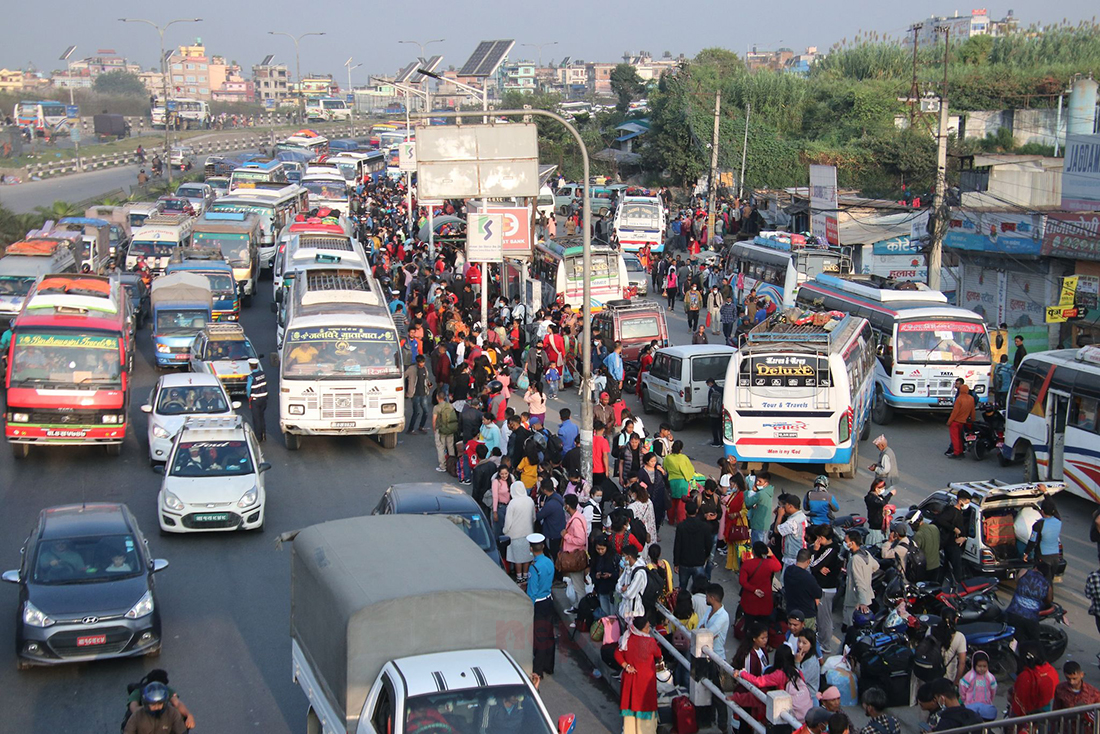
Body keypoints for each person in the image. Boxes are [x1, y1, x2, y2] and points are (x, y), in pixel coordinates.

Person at [615, 615, 664, 734]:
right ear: (641, 629)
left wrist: (626, 666)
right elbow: (658, 654)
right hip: (645, 682)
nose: (648, 630)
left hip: (630, 680)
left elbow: (617, 654)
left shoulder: (627, 639)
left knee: (631, 706)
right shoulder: (650, 642)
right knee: (645, 706)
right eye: (647, 628)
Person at [526, 533, 556, 684]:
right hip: (548, 600)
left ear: (531, 549)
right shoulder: (549, 562)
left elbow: (532, 591)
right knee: (549, 635)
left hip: (538, 603)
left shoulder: (534, 567)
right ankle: (549, 666)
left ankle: (537, 671)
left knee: (539, 638)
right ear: (543, 546)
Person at [124, 670, 196, 729]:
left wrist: (188, 715)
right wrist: (151, 709)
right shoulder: (138, 691)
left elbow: (177, 703)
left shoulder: (166, 689)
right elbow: (133, 708)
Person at [810, 525, 842, 654]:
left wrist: (814, 552)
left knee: (824, 618)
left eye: (818, 538)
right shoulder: (829, 548)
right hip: (822, 586)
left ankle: (826, 644)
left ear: (822, 538)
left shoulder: (830, 550)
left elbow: (812, 565)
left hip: (825, 588)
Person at [1004, 562, 1054, 644]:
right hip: (1031, 619)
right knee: (1034, 643)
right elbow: (1049, 600)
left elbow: (1017, 581)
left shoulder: (1024, 572)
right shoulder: (1047, 585)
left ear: (1035, 568)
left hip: (1013, 613)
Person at [1008, 641, 1058, 718]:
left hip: (1029, 718)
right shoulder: (1051, 670)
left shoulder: (1026, 677)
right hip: (1047, 716)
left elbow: (1019, 704)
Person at [739, 541, 782, 628]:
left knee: (748, 624)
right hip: (765, 599)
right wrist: (772, 555)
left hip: (750, 599)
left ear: (753, 551)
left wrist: (754, 590)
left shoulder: (747, 564)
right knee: (764, 625)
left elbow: (742, 581)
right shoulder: (769, 564)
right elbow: (779, 566)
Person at [673, 501, 712, 592]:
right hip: (698, 561)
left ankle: (683, 604)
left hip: (684, 562)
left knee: (682, 587)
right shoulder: (704, 527)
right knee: (699, 588)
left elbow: (677, 545)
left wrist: (676, 562)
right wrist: (706, 556)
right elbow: (708, 544)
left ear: (686, 511)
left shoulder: (681, 526)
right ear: (697, 511)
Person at [843, 530, 878, 629]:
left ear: (852, 543)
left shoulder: (855, 559)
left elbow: (859, 581)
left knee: (852, 627)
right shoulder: (866, 553)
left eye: (846, 541)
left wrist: (861, 602)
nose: (845, 544)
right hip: (867, 596)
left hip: (856, 600)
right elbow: (876, 566)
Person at [503, 481, 535, 583]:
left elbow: (508, 521)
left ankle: (519, 577)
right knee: (526, 557)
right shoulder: (530, 500)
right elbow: (534, 517)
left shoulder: (512, 503)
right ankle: (526, 576)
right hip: (528, 533)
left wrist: (505, 531)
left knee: (517, 558)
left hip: (514, 534)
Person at [560, 493, 588, 600]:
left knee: (578, 585)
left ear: (567, 506)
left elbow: (580, 540)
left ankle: (581, 608)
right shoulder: (578, 517)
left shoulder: (576, 521)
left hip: (575, 555)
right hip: (574, 555)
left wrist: (566, 536)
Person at [1023, 498, 1063, 572]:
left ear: (1042, 511)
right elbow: (1054, 507)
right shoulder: (1058, 520)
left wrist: (1026, 552)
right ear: (1053, 511)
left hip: (1043, 557)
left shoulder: (1038, 524)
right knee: (1050, 579)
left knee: (1042, 580)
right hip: (1055, 557)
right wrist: (1045, 492)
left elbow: (1033, 541)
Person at [784, 549, 822, 623]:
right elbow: (818, 593)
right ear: (808, 561)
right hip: (806, 614)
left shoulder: (788, 571)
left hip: (791, 611)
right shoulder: (808, 578)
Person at [959, 650, 998, 721]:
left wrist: (989, 701)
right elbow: (962, 691)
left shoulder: (990, 678)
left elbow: (993, 691)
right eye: (979, 666)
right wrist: (965, 702)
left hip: (985, 708)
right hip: (970, 707)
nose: (982, 669)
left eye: (984, 666)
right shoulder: (968, 677)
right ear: (974, 665)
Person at [662, 440, 694, 525]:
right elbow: (690, 470)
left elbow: (664, 468)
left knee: (671, 504)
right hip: (682, 482)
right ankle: (680, 522)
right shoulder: (684, 458)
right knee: (681, 505)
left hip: (671, 482)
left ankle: (671, 520)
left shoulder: (667, 458)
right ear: (681, 449)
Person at [535, 482, 566, 561]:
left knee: (552, 555)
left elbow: (539, 516)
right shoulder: (558, 497)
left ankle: (554, 571)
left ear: (544, 490)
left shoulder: (550, 504)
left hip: (552, 533)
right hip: (559, 530)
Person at [776, 493, 809, 566]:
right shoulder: (802, 516)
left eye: (785, 506)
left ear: (790, 506)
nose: (783, 508)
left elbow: (777, 530)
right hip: (799, 553)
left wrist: (780, 515)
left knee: (786, 577)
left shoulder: (792, 521)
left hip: (792, 556)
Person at [946, 381, 976, 458]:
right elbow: (973, 411)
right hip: (964, 421)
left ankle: (956, 453)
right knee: (960, 437)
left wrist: (949, 421)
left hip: (956, 421)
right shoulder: (971, 399)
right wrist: (973, 420)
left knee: (955, 438)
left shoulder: (959, 399)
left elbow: (954, 412)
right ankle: (961, 451)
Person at [404, 354, 433, 434]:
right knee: (416, 412)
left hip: (423, 393)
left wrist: (429, 384)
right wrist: (406, 390)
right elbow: (404, 376)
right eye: (420, 362)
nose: (422, 364)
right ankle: (411, 429)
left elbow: (426, 379)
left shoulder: (425, 369)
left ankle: (421, 426)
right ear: (417, 362)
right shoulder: (412, 369)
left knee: (426, 411)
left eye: (423, 362)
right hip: (415, 394)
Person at [745, 471, 775, 544]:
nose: (757, 483)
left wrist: (747, 492)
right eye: (757, 481)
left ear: (766, 483)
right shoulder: (769, 492)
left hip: (758, 525)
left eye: (760, 481)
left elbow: (748, 503)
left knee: (757, 547)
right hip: (765, 525)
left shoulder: (760, 494)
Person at [911, 511, 942, 582]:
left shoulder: (918, 535)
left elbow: (914, 552)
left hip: (925, 567)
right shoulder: (934, 527)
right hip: (936, 564)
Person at [864, 478, 895, 547]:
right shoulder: (870, 498)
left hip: (882, 526)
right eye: (882, 488)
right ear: (876, 488)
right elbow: (881, 503)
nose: (882, 490)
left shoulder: (878, 496)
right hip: (875, 526)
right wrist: (890, 494)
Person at [246, 358, 267, 441]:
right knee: (262, 417)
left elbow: (248, 388)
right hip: (264, 398)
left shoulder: (251, 376)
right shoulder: (262, 374)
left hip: (255, 399)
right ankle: (264, 434)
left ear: (250, 367)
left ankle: (258, 437)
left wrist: (248, 396)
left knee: (256, 418)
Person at [706, 378, 723, 447]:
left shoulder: (711, 390)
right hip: (721, 410)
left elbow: (710, 402)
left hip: (714, 411)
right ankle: (722, 442)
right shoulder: (721, 389)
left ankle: (716, 442)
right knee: (720, 427)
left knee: (714, 427)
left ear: (710, 383)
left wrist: (708, 411)